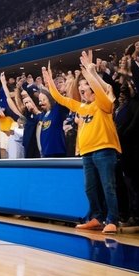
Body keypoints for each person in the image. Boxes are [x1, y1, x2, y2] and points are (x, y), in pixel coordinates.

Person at [43, 53, 122, 234]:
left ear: (94, 91)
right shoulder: (82, 107)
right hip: (86, 152)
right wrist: (50, 83)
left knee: (108, 186)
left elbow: (102, 91)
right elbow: (61, 99)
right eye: (81, 87)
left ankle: (112, 219)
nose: (82, 90)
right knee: (90, 188)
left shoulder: (104, 103)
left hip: (104, 149)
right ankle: (96, 217)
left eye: (85, 87)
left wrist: (89, 73)